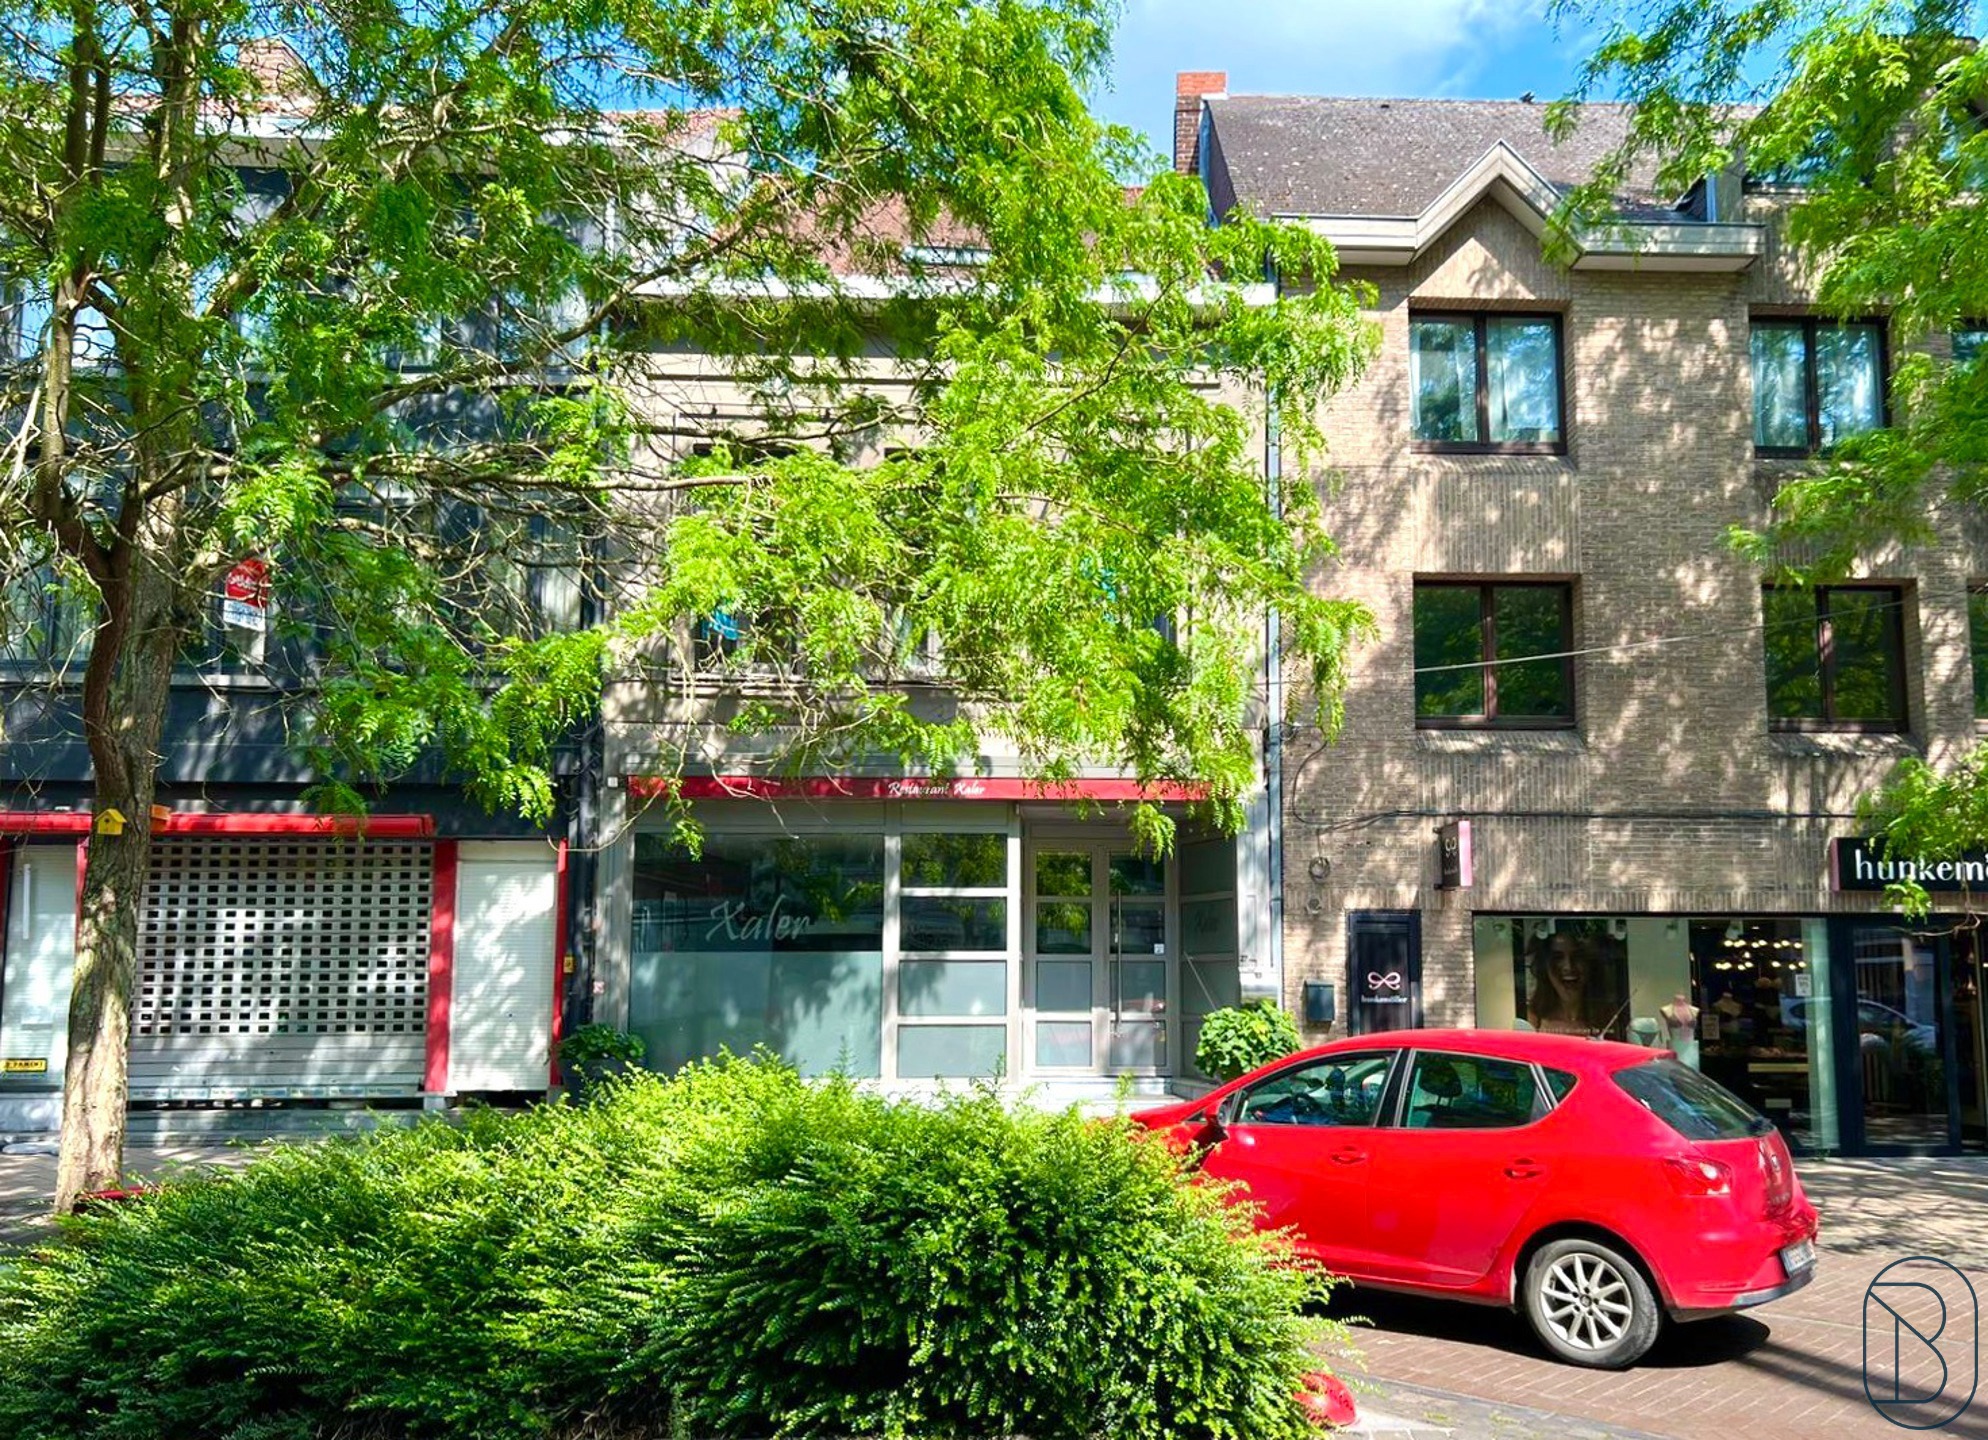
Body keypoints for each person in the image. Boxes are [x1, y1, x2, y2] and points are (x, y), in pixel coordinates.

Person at [1527, 932, 1594, 1035]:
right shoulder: (1534, 1016)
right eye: (1558, 957)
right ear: (1545, 966)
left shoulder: (1608, 1015)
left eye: (1577, 956)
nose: (1568, 967)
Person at [1657, 991, 1700, 1068]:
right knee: (1676, 1072)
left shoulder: (1694, 1010)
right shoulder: (1666, 1009)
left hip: (1691, 1049)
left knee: (1692, 1074)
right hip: (1676, 1048)